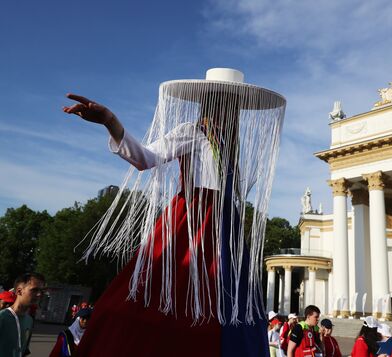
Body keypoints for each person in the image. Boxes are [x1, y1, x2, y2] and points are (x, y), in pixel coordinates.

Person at [62, 68, 286, 356]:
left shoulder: (230, 147)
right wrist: (110, 122)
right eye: (220, 102)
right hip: (192, 221)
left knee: (232, 305)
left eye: (232, 106)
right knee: (164, 299)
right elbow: (145, 157)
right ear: (208, 103)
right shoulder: (191, 132)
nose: (227, 111)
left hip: (225, 230)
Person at [0, 273, 45, 357]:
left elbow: (22, 349)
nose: (39, 294)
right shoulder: (2, 317)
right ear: (19, 291)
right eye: (34, 290)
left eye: (41, 291)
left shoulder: (29, 320)